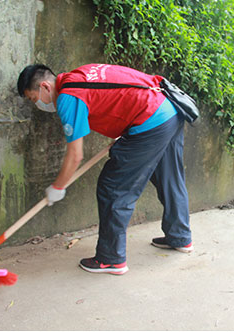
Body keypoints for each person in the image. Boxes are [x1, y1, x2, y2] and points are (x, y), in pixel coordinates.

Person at [17, 63, 193, 275]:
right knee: (169, 177)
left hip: (150, 119)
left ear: (45, 86)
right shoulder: (80, 75)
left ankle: (111, 258)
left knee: (113, 187)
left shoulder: (68, 97)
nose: (37, 104)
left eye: (33, 98)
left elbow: (75, 155)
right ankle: (180, 237)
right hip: (169, 110)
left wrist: (58, 187)